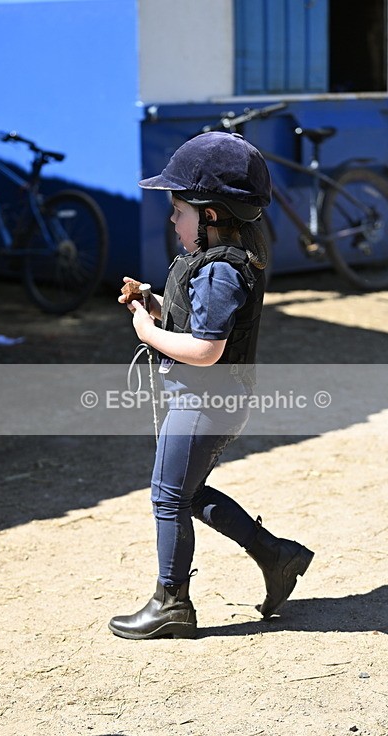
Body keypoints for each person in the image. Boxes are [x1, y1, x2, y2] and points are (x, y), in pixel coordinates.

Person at [108, 131, 314, 640]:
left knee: (167, 497)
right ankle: (276, 554)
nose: (172, 219)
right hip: (209, 400)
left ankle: (171, 602)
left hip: (204, 401)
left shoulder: (222, 271)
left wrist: (148, 332)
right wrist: (158, 308)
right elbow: (199, 325)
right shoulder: (216, 262)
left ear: (212, 215)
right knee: (188, 491)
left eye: (179, 210)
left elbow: (206, 350)